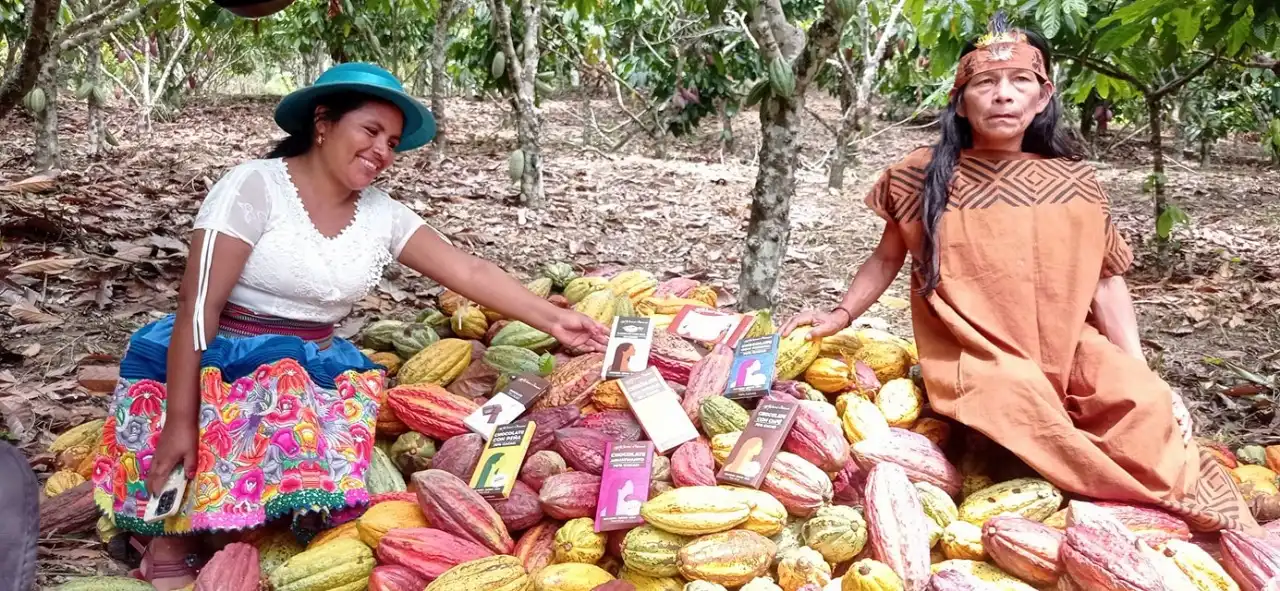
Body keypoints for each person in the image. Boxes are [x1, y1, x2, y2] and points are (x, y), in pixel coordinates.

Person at [90, 62, 609, 589]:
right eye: (370, 131)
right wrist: (181, 418)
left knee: (274, 509)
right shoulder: (254, 186)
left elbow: (468, 270)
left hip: (310, 369)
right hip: (222, 362)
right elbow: (196, 302)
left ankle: (232, 537)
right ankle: (166, 542)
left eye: (393, 141)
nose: (382, 151)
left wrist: (556, 320)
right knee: (203, 472)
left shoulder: (380, 213)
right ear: (323, 121)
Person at [782, 16, 1265, 537]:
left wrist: (1144, 371)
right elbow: (885, 259)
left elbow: (1105, 281)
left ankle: (1176, 505)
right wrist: (839, 314)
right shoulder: (920, 174)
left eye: (1020, 82)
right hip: (976, 351)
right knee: (1018, 399)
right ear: (960, 99)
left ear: (1043, 97)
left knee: (1141, 404)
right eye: (985, 84)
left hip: (1069, 342)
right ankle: (1110, 512)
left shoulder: (1075, 181)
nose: (1003, 95)